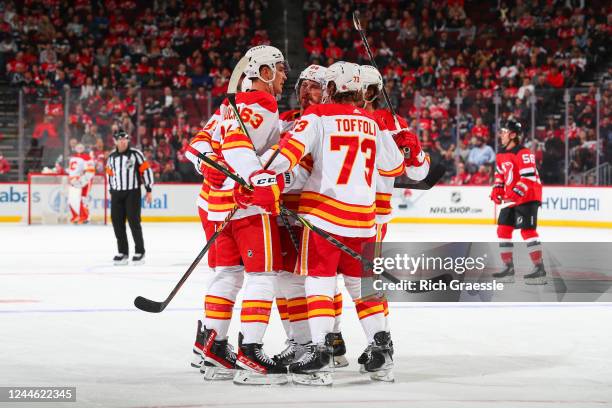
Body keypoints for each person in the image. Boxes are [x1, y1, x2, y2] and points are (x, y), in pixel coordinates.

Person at [261, 62, 405, 385]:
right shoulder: (370, 121)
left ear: (331, 89)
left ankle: (322, 355)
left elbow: (287, 156)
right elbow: (395, 165)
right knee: (362, 288)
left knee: (319, 283)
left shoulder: (318, 117)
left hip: (325, 220)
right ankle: (382, 351)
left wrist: (261, 175)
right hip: (365, 222)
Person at [490, 119, 546, 284]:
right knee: (503, 230)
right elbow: (500, 175)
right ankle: (508, 267)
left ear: (513, 135)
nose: (501, 134)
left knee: (527, 231)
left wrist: (515, 193)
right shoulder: (500, 154)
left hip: (528, 195)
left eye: (504, 132)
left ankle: (539, 267)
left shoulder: (524, 152)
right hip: (513, 197)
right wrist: (497, 189)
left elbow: (528, 177)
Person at [105, 129, 154, 265]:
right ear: (115, 141)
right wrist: (111, 191)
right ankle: (123, 252)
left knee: (134, 222)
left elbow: (146, 170)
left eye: (125, 139)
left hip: (132, 192)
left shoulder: (135, 154)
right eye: (120, 139)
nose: (122, 141)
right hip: (116, 193)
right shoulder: (112, 157)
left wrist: (148, 189)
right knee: (117, 223)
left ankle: (140, 251)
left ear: (127, 140)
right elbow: (109, 175)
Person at [67, 143, 95, 224]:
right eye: (77, 147)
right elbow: (71, 171)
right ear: (75, 148)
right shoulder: (72, 158)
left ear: (84, 148)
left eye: (81, 147)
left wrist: (82, 181)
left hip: (83, 181)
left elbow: (90, 171)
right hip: (73, 181)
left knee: (83, 199)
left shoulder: (87, 157)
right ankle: (76, 216)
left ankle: (85, 217)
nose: (79, 148)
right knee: (71, 199)